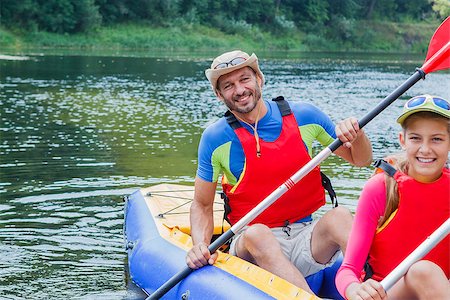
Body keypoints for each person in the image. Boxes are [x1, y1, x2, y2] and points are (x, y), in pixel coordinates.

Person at [186, 50, 373, 295]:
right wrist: (200, 245)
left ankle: (366, 289)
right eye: (228, 85)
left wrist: (357, 135)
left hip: (304, 235)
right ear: (219, 95)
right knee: (258, 234)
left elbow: (362, 160)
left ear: (259, 80)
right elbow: (201, 204)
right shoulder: (215, 138)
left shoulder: (305, 116)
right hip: (252, 249)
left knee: (340, 215)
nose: (240, 90)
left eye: (245, 79)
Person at [335, 94, 450, 300]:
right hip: (387, 294)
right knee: (422, 271)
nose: (425, 149)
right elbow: (348, 270)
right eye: (415, 138)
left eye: (437, 139)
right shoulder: (382, 188)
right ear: (402, 140)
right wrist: (353, 289)